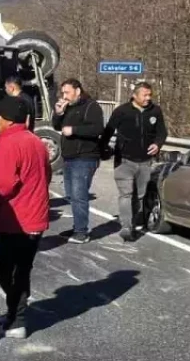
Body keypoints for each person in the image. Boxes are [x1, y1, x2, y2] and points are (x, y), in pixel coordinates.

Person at [0, 96, 51, 339]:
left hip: (17, 219)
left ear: (7, 120)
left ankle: (16, 321)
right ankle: (14, 315)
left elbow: (1, 185)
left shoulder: (10, 144)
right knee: (20, 269)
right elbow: (46, 175)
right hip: (33, 216)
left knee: (10, 272)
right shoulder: (36, 141)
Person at [101, 81, 167, 241]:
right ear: (134, 95)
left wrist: (157, 144)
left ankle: (134, 220)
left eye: (150, 95)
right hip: (124, 160)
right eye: (145, 95)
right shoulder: (122, 111)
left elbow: (162, 132)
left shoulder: (155, 111)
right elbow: (108, 131)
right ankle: (126, 226)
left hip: (145, 161)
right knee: (126, 194)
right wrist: (102, 149)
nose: (148, 98)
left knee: (139, 196)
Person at [52, 79, 106, 243]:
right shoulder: (68, 107)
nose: (64, 96)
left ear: (78, 91)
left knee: (79, 195)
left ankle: (81, 232)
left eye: (67, 92)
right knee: (71, 195)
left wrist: (74, 130)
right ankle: (78, 227)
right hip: (69, 157)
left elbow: (97, 129)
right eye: (63, 93)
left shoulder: (91, 106)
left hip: (85, 157)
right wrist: (59, 113)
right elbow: (56, 126)